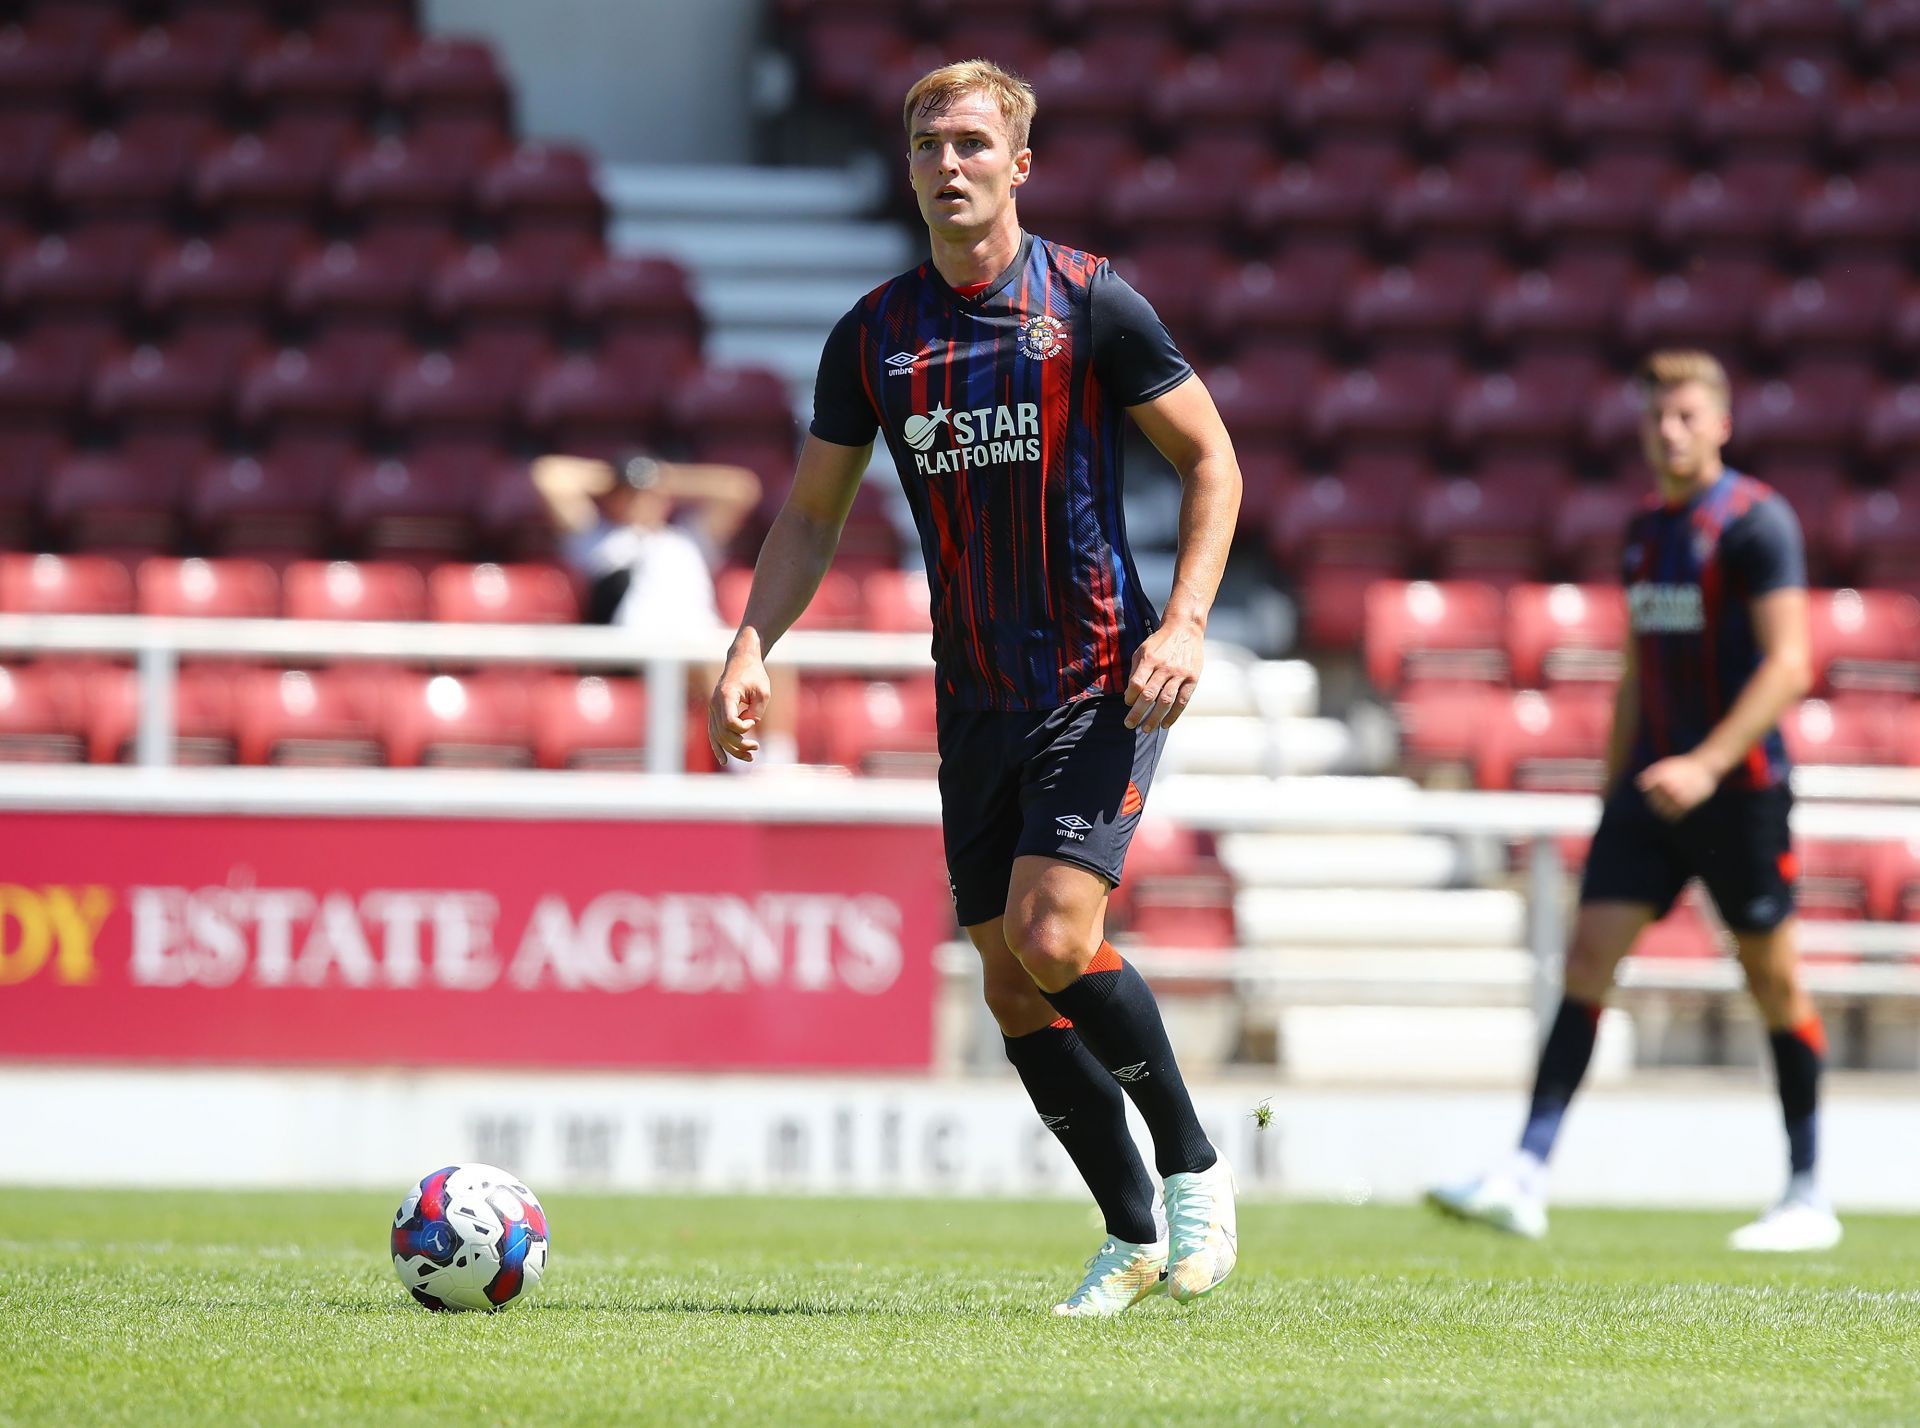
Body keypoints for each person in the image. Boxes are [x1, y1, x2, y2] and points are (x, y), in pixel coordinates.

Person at [705, 59, 1244, 1314]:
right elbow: (811, 515)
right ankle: (1127, 1235)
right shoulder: (876, 337)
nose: (949, 165)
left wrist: (1189, 624)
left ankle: (1196, 1170)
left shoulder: (1092, 305)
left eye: (971, 144)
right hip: (977, 697)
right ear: (905, 169)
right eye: (928, 146)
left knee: (1058, 935)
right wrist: (749, 644)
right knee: (1010, 978)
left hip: (1100, 675)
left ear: (1018, 165)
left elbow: (1213, 461)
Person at [1429, 350, 1836, 1252]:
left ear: (1722, 423)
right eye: (1658, 416)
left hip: (1740, 792)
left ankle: (1808, 1190)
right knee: (1585, 962)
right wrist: (1618, 782)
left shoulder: (1758, 523)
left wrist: (1706, 762)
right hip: (1649, 792)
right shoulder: (1645, 529)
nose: (1671, 431)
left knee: (1774, 981)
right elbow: (1635, 670)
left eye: (1688, 415)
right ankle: (1525, 1173)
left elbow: (1791, 664)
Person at [533, 450, 798, 766]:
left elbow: (739, 487)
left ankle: (779, 761)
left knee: (777, 657)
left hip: (701, 638)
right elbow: (549, 476)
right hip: (639, 645)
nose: (639, 501)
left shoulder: (689, 537)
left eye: (647, 495)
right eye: (628, 496)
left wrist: (661, 477)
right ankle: (744, 765)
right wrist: (622, 475)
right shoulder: (598, 540)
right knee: (717, 666)